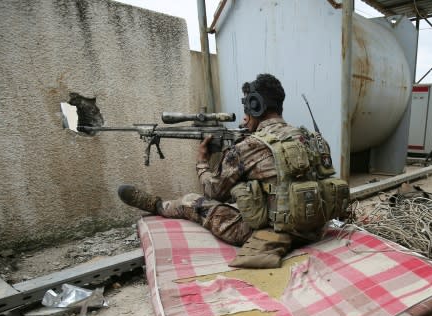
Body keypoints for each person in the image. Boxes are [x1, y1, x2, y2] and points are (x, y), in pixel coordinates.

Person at [117, 73, 347, 269]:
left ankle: (157, 206)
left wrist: (202, 162)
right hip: (315, 229)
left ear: (255, 106)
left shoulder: (248, 146)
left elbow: (213, 192)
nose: (244, 117)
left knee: (193, 201)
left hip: (276, 233)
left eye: (246, 108)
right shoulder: (309, 137)